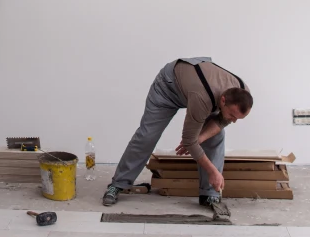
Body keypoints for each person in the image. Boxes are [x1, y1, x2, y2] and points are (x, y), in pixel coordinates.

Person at [102, 57, 253, 208]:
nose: (233, 121)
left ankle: (210, 194)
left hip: (196, 89)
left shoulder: (242, 92)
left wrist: (199, 139)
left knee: (216, 135)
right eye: (232, 116)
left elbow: (221, 121)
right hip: (167, 88)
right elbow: (188, 141)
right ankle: (118, 184)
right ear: (223, 101)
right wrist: (213, 171)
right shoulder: (202, 98)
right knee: (147, 135)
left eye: (238, 118)